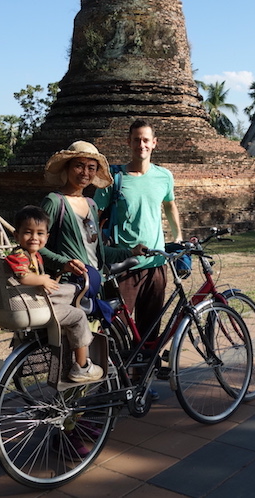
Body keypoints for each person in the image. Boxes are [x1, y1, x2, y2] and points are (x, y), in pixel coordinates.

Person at [94, 119, 183, 340]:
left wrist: (178, 236)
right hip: (124, 263)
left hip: (156, 262)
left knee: (151, 325)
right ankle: (120, 372)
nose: (141, 145)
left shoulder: (164, 176)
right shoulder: (114, 178)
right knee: (118, 328)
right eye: (136, 140)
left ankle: (146, 370)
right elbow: (94, 215)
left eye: (145, 140)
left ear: (154, 143)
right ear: (129, 142)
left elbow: (170, 205)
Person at [5, 205, 103, 383]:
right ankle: (82, 367)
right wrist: (42, 279)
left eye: (40, 233)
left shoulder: (34, 255)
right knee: (78, 316)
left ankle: (83, 300)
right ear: (16, 235)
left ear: (47, 237)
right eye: (28, 232)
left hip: (37, 301)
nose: (34, 238)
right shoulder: (19, 256)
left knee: (74, 289)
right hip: (34, 306)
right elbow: (23, 277)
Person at [39, 141, 145, 283]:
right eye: (79, 166)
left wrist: (131, 252)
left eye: (91, 168)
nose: (85, 173)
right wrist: (64, 263)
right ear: (67, 167)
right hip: (69, 284)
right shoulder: (55, 202)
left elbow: (97, 250)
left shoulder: (91, 205)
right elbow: (34, 246)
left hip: (94, 283)